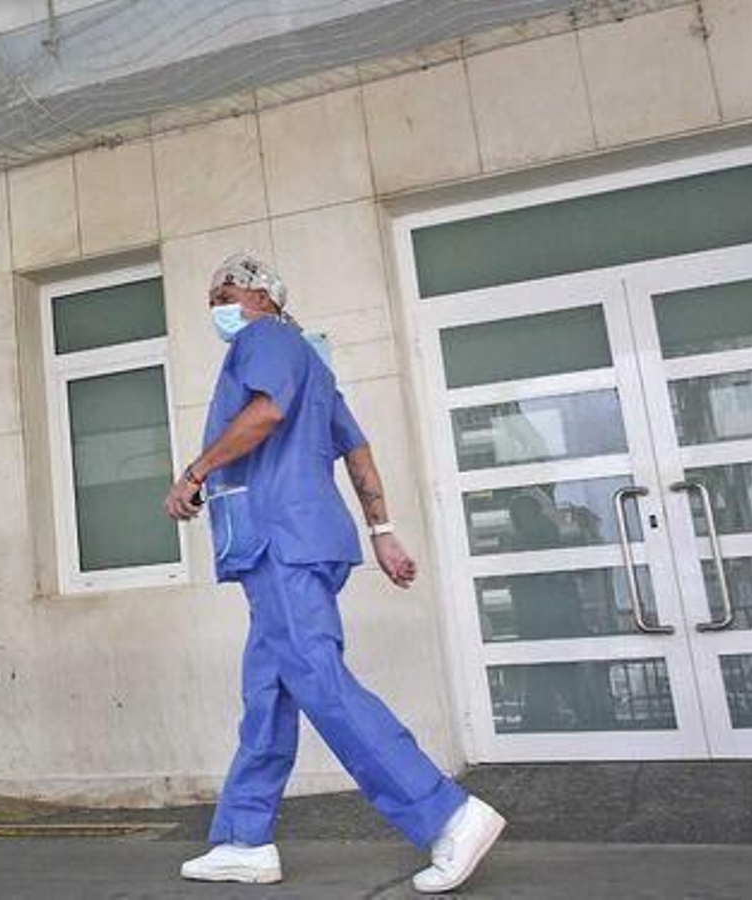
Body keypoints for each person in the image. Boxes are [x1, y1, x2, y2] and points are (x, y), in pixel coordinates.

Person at [164, 253, 505, 893]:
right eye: (211, 293)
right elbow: (358, 451)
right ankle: (244, 839)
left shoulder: (265, 341)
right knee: (267, 692)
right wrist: (382, 531)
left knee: (318, 678)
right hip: (294, 543)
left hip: (281, 540)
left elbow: (264, 414)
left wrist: (195, 472)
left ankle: (448, 814)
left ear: (264, 295)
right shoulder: (313, 364)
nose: (215, 302)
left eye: (226, 290)